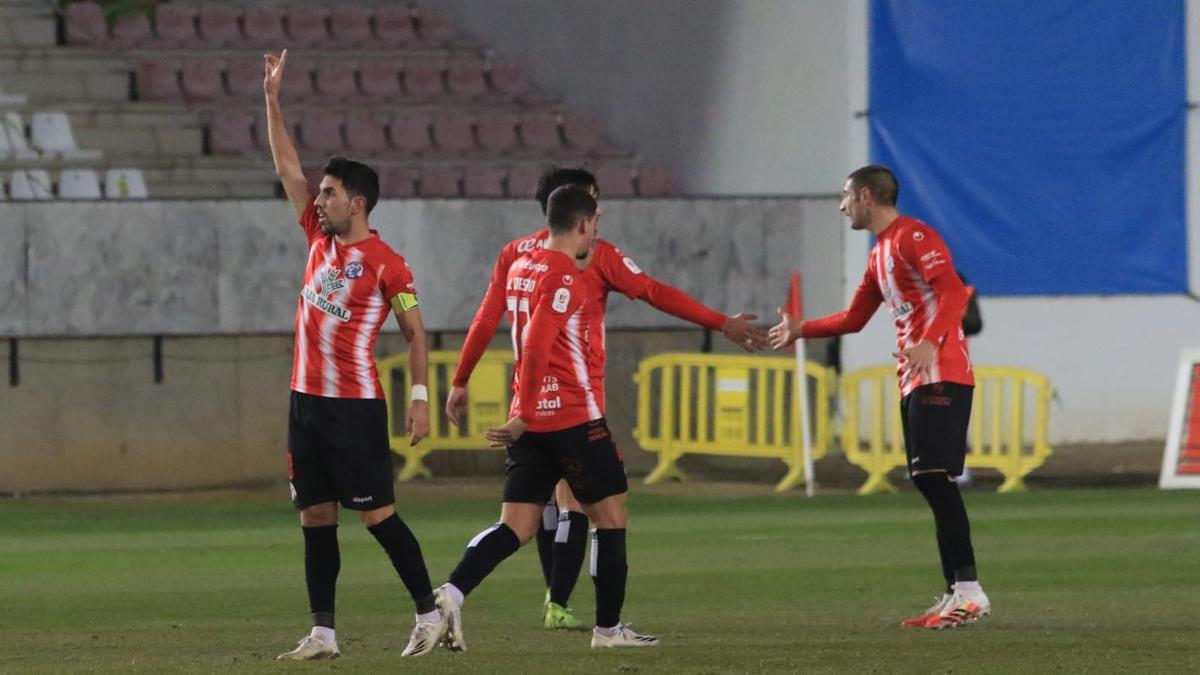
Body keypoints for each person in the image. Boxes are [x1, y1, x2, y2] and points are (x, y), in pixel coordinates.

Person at [445, 167, 768, 630]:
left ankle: (521, 598)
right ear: (580, 211)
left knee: (533, 514)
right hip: (577, 407)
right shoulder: (593, 258)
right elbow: (654, 292)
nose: (599, 219)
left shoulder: (517, 255)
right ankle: (596, 621)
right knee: (597, 511)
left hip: (530, 405)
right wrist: (721, 322)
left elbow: (485, 316)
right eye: (594, 209)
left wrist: (461, 380)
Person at [264, 49, 446, 660]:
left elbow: (416, 332)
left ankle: (430, 613)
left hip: (353, 409)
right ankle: (323, 633)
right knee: (315, 518)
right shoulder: (317, 237)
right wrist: (272, 100)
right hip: (304, 404)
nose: (318, 200)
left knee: (378, 518)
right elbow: (288, 168)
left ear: (358, 203)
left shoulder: (389, 265)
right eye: (320, 193)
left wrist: (419, 400)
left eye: (331, 193)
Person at [434, 185, 660, 651]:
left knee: (515, 526)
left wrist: (516, 409)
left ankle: (452, 592)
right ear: (580, 224)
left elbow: (491, 320)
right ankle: (609, 630)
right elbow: (537, 344)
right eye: (595, 222)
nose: (597, 231)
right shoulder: (563, 275)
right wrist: (525, 413)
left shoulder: (520, 264)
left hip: (531, 422)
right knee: (611, 517)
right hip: (571, 418)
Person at [768, 165, 990, 630]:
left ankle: (969, 592)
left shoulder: (915, 236)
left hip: (941, 373)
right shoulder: (879, 255)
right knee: (931, 482)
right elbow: (853, 319)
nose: (841, 205)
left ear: (867, 196)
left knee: (933, 479)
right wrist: (800, 329)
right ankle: (956, 592)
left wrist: (930, 340)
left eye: (846, 196)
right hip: (915, 377)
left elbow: (953, 292)